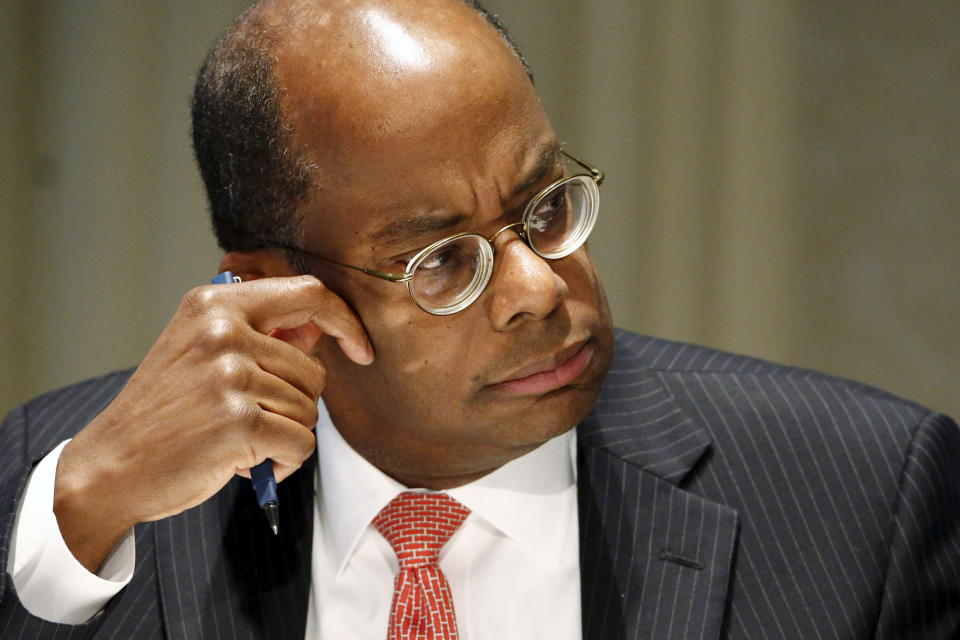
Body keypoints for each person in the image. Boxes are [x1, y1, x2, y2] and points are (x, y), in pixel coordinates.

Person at [1, 0, 958, 638]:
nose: (541, 290)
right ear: (274, 292)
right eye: (443, 261)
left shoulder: (868, 494)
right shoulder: (74, 485)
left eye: (546, 207)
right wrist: (86, 510)